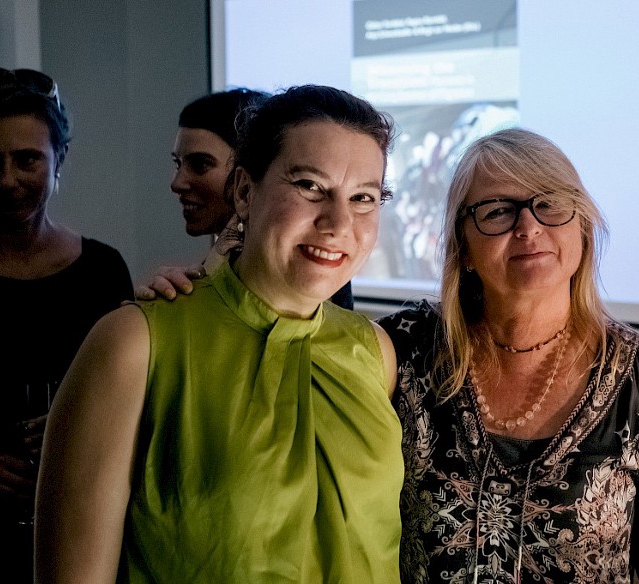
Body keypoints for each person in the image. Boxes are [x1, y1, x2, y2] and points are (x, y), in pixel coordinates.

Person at [34, 85, 403, 583]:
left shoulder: (373, 351)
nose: (339, 223)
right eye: (311, 187)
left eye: (363, 197)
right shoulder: (135, 344)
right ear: (246, 191)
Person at [377, 128, 639, 583]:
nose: (529, 227)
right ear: (465, 248)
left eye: (550, 204)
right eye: (497, 211)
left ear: (583, 229)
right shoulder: (408, 350)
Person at [0, 67, 133, 582]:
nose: (6, 180)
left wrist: (77, 426)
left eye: (27, 160)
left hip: (71, 527)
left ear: (58, 159)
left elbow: (134, 403)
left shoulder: (102, 270)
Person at [141, 88, 355, 309]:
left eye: (200, 164)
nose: (176, 183)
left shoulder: (309, 267)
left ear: (245, 181)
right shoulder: (206, 275)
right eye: (178, 164)